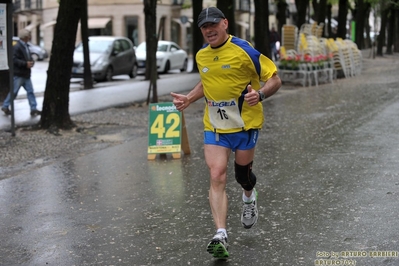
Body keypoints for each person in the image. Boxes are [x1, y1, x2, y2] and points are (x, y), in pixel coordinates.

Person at [171, 7, 281, 259]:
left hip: (246, 125)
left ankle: (249, 196)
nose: (208, 30)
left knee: (242, 175)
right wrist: (189, 98)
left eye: (213, 24)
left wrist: (261, 94)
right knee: (216, 173)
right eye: (203, 27)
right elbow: (207, 81)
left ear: (225, 24)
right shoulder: (202, 56)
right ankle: (220, 233)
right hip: (216, 127)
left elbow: (274, 78)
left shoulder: (245, 50)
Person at [1, 29, 41, 116]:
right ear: (25, 37)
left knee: (30, 91)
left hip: (25, 74)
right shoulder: (17, 47)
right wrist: (25, 64)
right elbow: (14, 59)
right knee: (14, 92)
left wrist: (31, 62)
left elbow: (28, 57)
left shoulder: (25, 46)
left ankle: (33, 108)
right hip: (19, 74)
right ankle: (5, 105)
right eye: (29, 35)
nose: (30, 37)